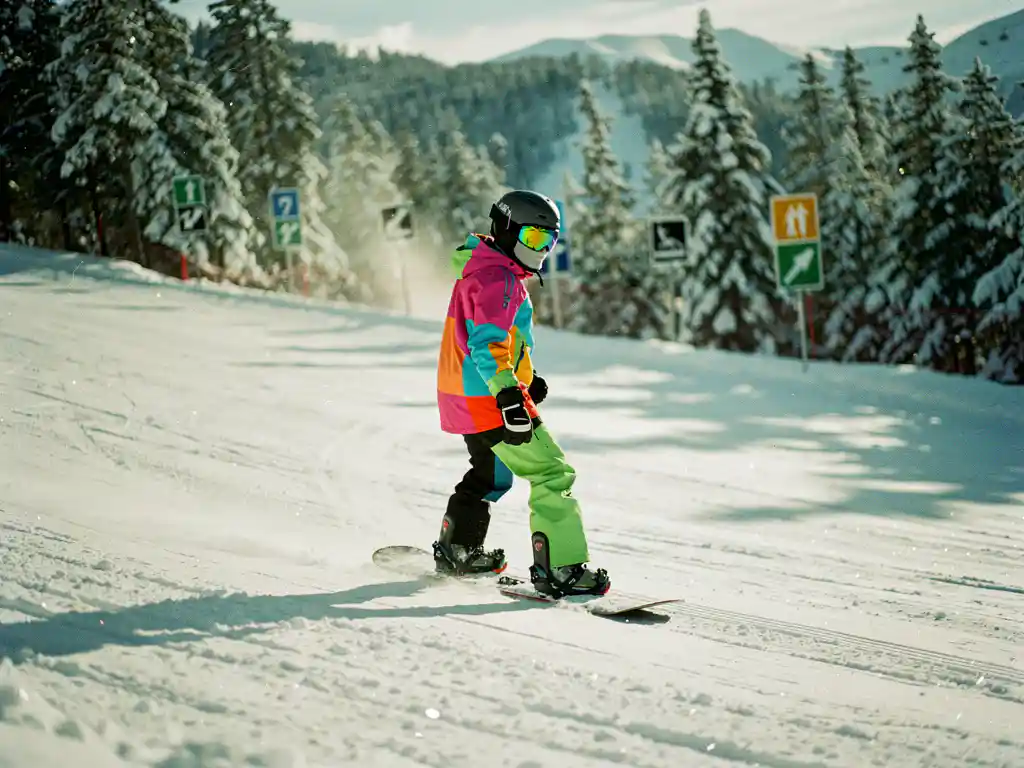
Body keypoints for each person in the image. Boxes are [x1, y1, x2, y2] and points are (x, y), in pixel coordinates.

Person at [432, 189, 610, 598]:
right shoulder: (500, 279)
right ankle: (560, 568)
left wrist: (526, 380)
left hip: (467, 396)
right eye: (533, 238)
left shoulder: (482, 270)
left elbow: (491, 341)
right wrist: (510, 395)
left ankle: (458, 548)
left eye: (549, 241)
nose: (542, 249)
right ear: (508, 230)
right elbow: (487, 344)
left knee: (490, 474)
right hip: (491, 401)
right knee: (552, 472)